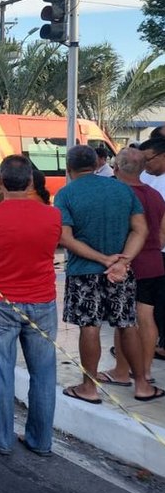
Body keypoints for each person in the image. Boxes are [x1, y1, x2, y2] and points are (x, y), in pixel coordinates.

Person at [56, 144, 162, 403]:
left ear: (68, 168)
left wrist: (102, 259)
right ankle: (142, 385)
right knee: (127, 324)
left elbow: (65, 238)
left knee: (89, 326)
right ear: (96, 165)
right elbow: (141, 230)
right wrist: (124, 261)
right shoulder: (122, 190)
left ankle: (89, 388)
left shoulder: (66, 193)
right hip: (120, 272)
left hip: (84, 272)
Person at [0, 155, 62, 456]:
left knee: (1, 371)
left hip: (1, 301)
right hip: (42, 302)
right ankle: (40, 441)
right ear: (31, 181)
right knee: (44, 374)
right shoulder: (52, 216)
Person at [98, 148, 164, 387]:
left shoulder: (118, 194)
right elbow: (162, 233)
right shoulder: (155, 195)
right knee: (146, 317)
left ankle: (121, 372)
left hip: (128, 263)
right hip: (154, 262)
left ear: (116, 168)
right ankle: (144, 372)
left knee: (123, 320)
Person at [138, 138, 165, 362]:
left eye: (148, 160)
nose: (145, 165)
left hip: (157, 251)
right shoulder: (147, 177)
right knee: (152, 308)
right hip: (153, 253)